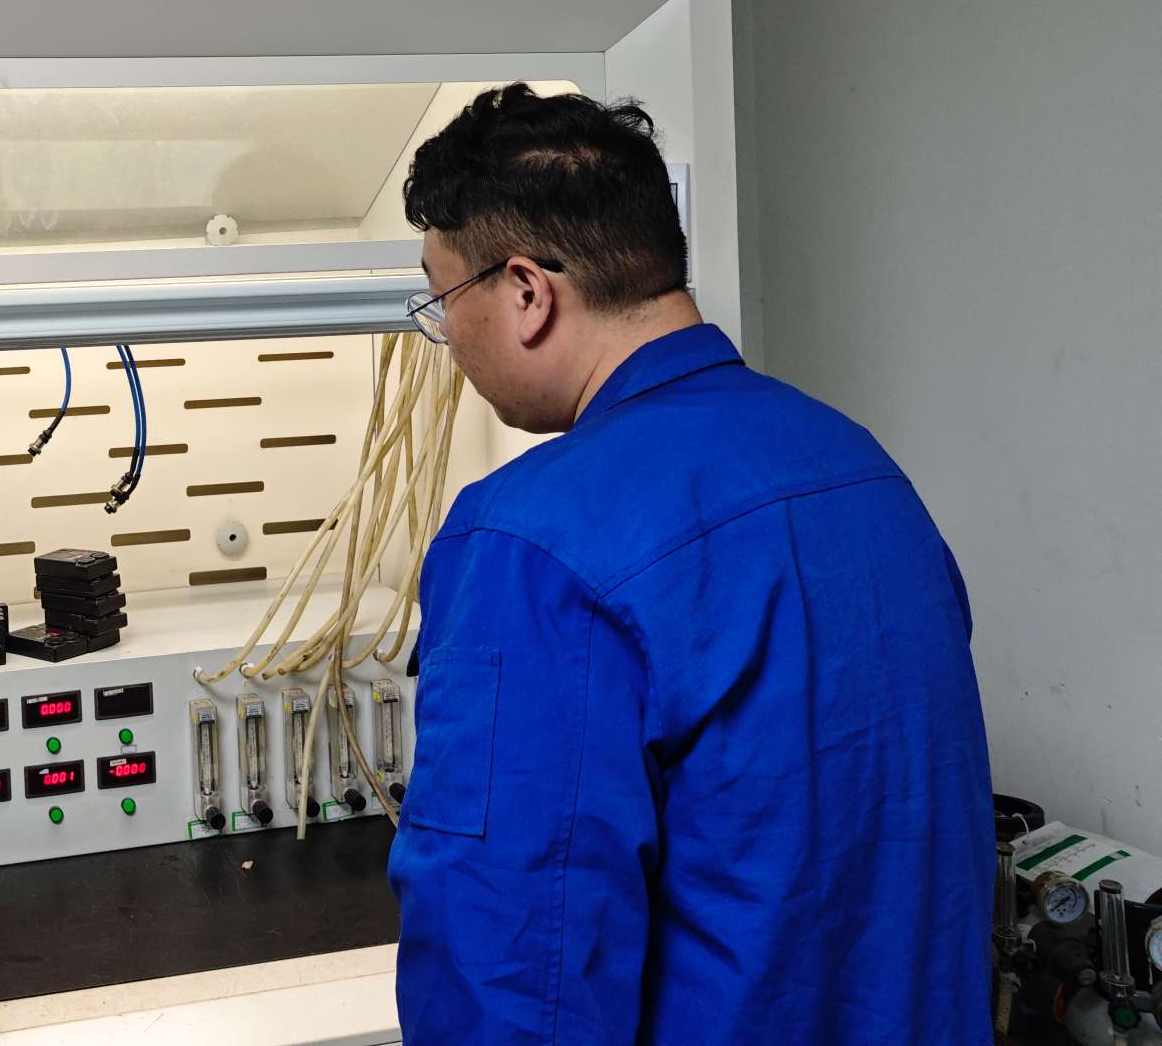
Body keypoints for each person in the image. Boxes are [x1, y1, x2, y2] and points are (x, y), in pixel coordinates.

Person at [388, 85, 992, 1043]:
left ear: (526, 293)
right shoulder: (860, 469)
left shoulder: (527, 542)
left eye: (443, 299)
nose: (448, 338)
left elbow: (511, 972)